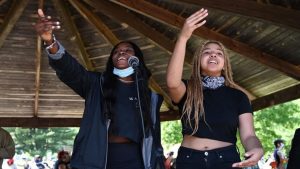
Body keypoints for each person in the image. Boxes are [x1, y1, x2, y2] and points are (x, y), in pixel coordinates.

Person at [34, 9, 165, 169]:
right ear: (112, 60)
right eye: (116, 52)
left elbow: (155, 140)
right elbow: (70, 70)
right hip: (99, 159)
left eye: (127, 50)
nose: (121, 52)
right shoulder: (96, 84)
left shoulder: (151, 97)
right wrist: (50, 41)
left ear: (137, 59)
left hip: (136, 160)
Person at [166, 8, 264, 169]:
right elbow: (171, 82)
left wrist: (256, 148)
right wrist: (183, 37)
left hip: (226, 159)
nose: (213, 55)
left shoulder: (239, 96)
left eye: (219, 53)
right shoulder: (188, 89)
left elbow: (248, 135)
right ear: (198, 61)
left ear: (225, 63)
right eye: (207, 52)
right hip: (189, 160)